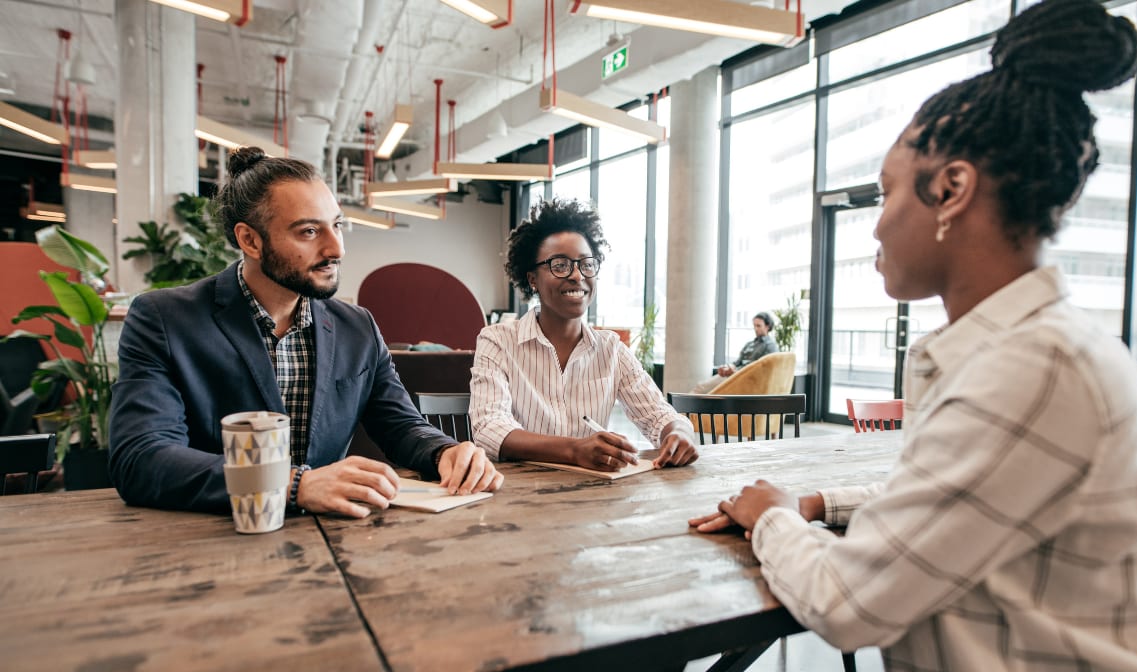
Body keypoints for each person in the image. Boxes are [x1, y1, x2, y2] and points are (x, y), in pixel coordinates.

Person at [689, 0, 1137, 671]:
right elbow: (953, 493)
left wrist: (776, 518)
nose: (875, 226)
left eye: (886, 192)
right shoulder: (1021, 348)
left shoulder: (1034, 365)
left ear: (952, 189)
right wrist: (813, 501)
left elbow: (847, 600)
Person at [109, 147, 503, 517]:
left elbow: (400, 424)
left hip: (333, 541)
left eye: (336, 226)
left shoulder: (357, 327)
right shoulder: (164, 319)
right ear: (250, 240)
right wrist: (295, 485)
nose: (337, 249)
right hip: (212, 540)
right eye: (309, 232)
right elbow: (142, 458)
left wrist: (444, 453)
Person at [470, 198, 699, 471]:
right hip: (517, 492)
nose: (577, 276)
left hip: (592, 495)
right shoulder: (497, 340)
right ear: (532, 279)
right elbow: (489, 427)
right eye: (560, 265)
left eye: (586, 264)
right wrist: (574, 449)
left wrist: (678, 434)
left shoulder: (611, 348)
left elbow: (658, 414)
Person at [691, 311, 779, 393]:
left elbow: (762, 370)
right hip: (734, 375)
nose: (755, 329)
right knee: (701, 386)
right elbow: (737, 362)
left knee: (703, 388)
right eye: (754, 325)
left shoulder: (770, 346)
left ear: (767, 327)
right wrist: (727, 368)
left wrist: (736, 372)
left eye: (758, 326)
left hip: (744, 378)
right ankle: (684, 409)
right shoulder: (749, 344)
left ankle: (683, 408)